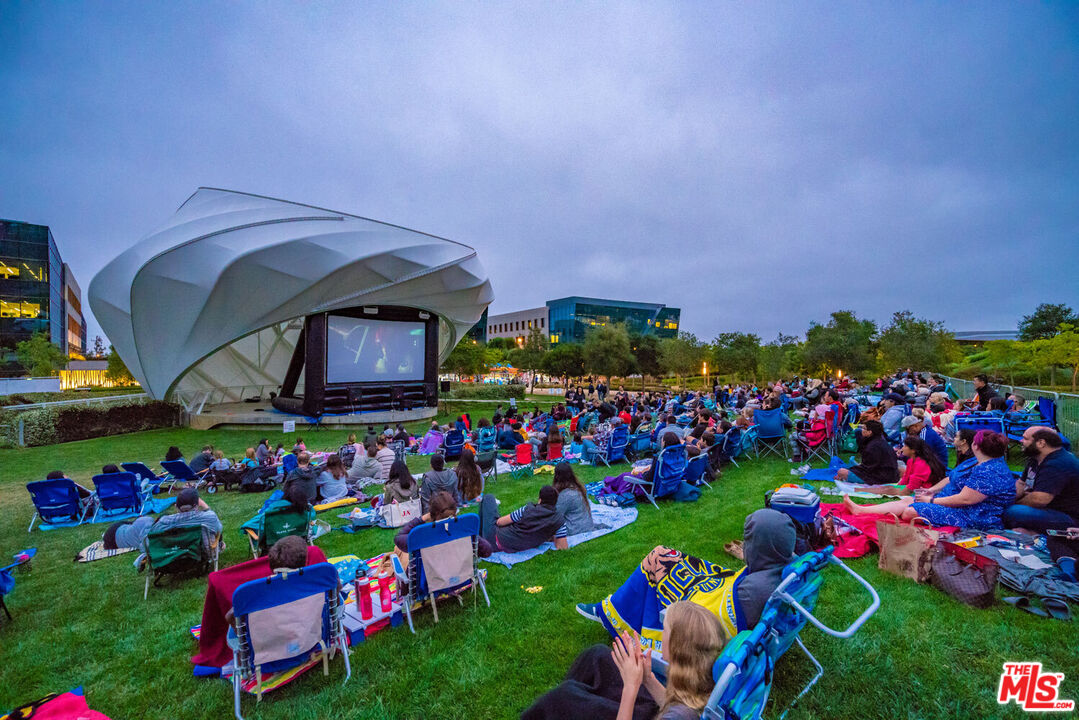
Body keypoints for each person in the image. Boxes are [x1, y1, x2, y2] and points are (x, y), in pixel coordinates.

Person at [574, 509, 795, 650]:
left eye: (750, 540)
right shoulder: (782, 570)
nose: (746, 545)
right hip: (718, 589)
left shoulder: (756, 591)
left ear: (764, 545)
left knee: (656, 564)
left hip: (703, 607)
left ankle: (611, 611)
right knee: (664, 555)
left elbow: (711, 617)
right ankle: (620, 604)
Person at [523, 600, 724, 720]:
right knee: (599, 655)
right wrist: (647, 678)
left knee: (563, 697)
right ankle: (579, 702)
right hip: (653, 711)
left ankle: (569, 705)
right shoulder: (700, 684)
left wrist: (631, 685)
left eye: (665, 630)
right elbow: (675, 705)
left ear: (677, 648)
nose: (661, 634)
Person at [843, 430, 1016, 530]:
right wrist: (931, 491)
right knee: (911, 500)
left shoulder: (989, 471)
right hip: (957, 504)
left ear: (975, 445)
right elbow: (951, 478)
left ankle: (863, 510)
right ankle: (861, 511)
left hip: (974, 516)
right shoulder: (978, 462)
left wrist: (931, 499)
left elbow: (965, 499)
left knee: (911, 510)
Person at [391, 490, 492, 568]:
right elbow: (487, 551)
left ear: (431, 513)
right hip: (461, 577)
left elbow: (398, 538)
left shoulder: (421, 535)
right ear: (455, 510)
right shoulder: (464, 530)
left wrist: (422, 518)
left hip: (429, 585)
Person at [1004, 428, 1079, 532]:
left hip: (1069, 517)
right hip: (1050, 509)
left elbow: (1039, 500)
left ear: (1041, 443)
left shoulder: (1057, 464)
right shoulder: (1036, 458)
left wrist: (1015, 503)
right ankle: (1028, 531)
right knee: (1004, 505)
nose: (1021, 441)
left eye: (1025, 438)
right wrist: (1006, 499)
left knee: (1013, 512)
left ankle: (1037, 534)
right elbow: (1021, 483)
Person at [102, 487, 222, 552]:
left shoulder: (164, 522)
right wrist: (205, 506)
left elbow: (146, 544)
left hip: (115, 535)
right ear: (196, 506)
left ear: (176, 507)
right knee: (142, 521)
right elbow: (218, 529)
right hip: (119, 534)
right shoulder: (209, 519)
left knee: (143, 521)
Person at [480, 485, 569, 553]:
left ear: (540, 500)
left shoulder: (527, 510)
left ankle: (479, 537)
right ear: (555, 502)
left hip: (494, 540)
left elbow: (499, 522)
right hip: (512, 547)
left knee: (488, 498)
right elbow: (563, 547)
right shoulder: (559, 521)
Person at [834, 421, 899, 486]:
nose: (862, 430)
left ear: (870, 432)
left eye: (864, 428)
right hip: (888, 475)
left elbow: (868, 469)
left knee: (841, 472)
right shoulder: (880, 442)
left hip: (879, 477)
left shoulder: (873, 446)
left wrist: (851, 471)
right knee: (851, 468)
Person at [553, 462, 594, 535]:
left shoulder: (565, 495)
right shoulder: (578, 488)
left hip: (575, 529)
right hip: (587, 525)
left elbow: (555, 517)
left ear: (557, 476)